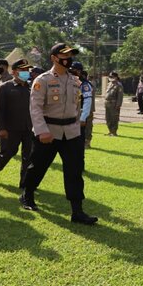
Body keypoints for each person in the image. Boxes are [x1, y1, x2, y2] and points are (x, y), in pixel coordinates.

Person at [19, 43, 97, 224]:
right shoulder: (43, 80)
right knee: (38, 166)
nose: (69, 59)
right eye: (65, 55)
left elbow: (76, 107)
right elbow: (35, 108)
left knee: (74, 171)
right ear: (54, 57)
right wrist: (41, 131)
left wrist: (78, 127)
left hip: (71, 132)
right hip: (49, 132)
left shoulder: (75, 80)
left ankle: (77, 211)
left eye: (71, 55)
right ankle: (27, 195)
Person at [0, 59, 34, 188]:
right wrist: (1, 128)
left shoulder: (32, 88)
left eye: (27, 70)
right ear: (14, 72)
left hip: (28, 127)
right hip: (11, 128)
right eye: (22, 70)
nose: (25, 72)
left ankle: (24, 183)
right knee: (8, 152)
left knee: (28, 156)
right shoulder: (5, 87)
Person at [70, 62, 94, 149]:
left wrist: (83, 117)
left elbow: (87, 102)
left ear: (79, 71)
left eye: (74, 69)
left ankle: (85, 144)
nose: (71, 71)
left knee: (80, 135)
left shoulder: (84, 84)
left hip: (79, 113)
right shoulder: (69, 81)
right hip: (70, 114)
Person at [104, 71, 123, 136]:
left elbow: (120, 96)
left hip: (114, 104)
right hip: (107, 103)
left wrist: (118, 105)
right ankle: (110, 131)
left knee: (114, 118)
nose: (110, 78)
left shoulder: (119, 85)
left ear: (116, 77)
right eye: (110, 77)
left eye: (112, 77)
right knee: (108, 118)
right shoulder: (109, 84)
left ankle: (114, 132)